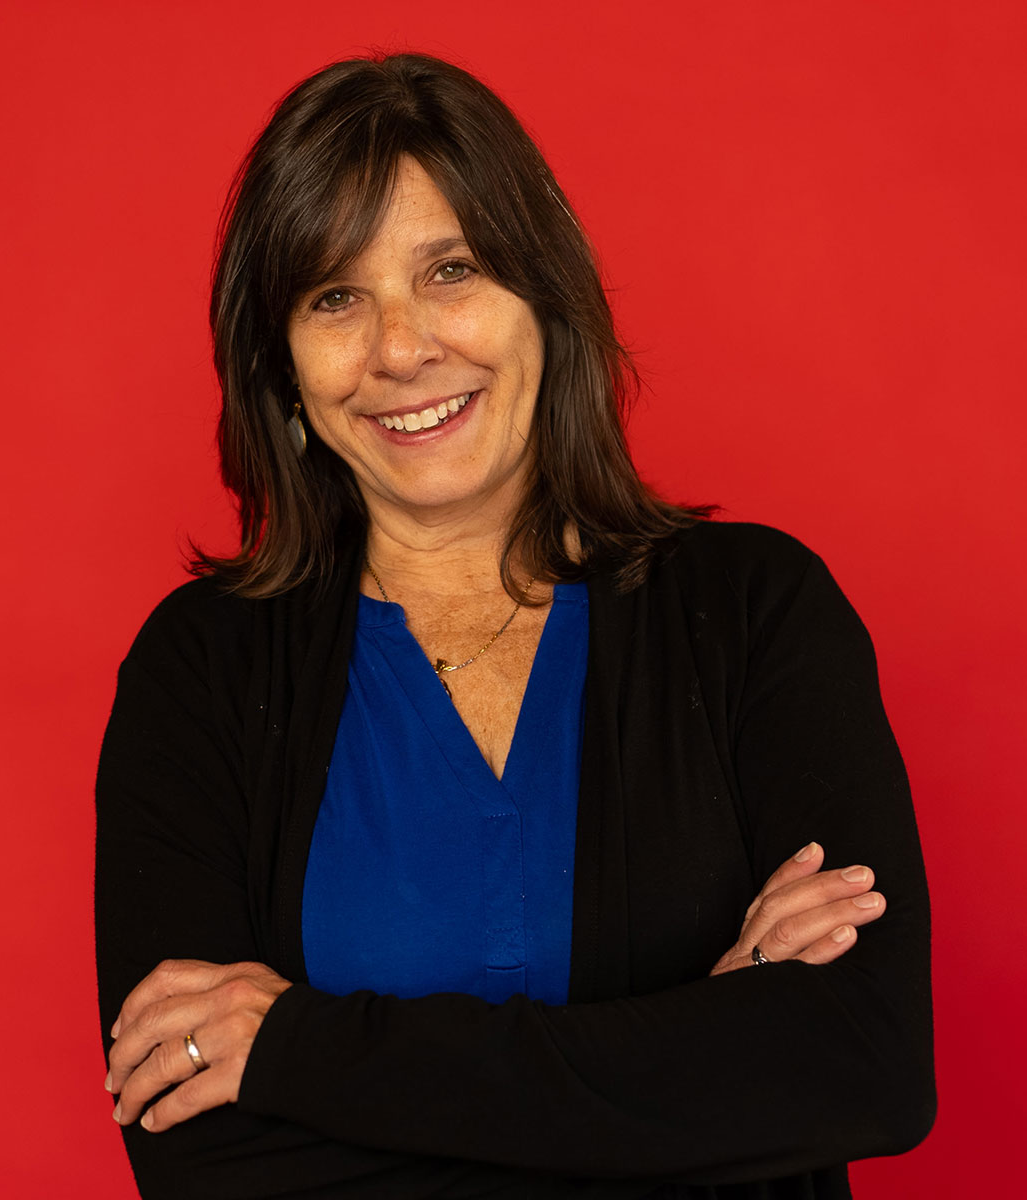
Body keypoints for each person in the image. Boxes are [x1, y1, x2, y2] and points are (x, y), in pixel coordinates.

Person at [95, 52, 935, 1200]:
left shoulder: (753, 611)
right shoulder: (200, 668)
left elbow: (865, 1069)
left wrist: (298, 1051)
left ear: (546, 298)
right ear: (280, 363)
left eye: (452, 270)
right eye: (334, 296)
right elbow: (198, 1161)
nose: (401, 348)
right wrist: (700, 1057)